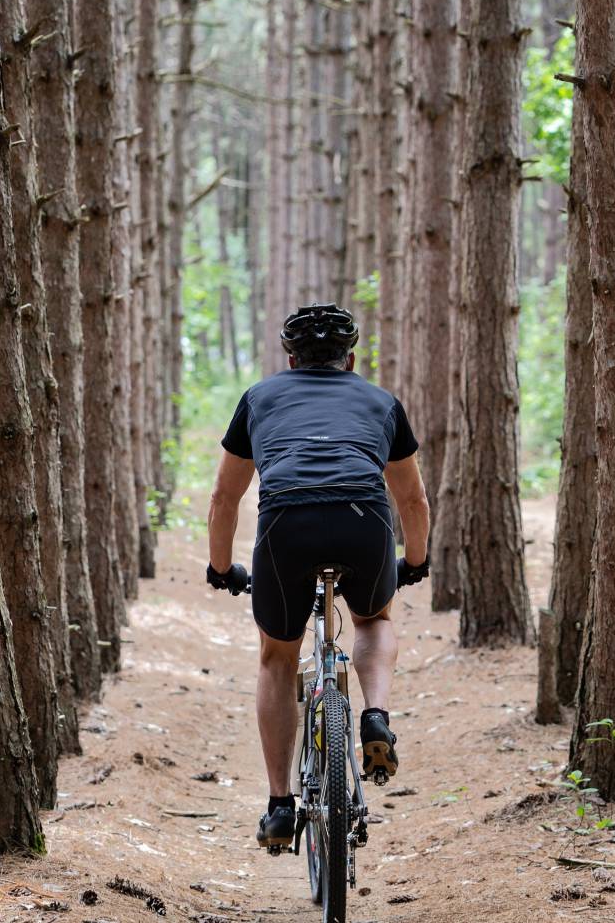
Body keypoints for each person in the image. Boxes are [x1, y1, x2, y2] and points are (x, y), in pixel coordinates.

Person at [204, 303, 432, 850]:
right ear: (350, 358)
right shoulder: (380, 401)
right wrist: (417, 561)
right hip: (363, 518)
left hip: (287, 522)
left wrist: (220, 568)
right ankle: (375, 716)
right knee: (374, 619)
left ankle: (281, 805)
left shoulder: (260, 398)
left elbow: (225, 496)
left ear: (290, 358)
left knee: (277, 654)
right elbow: (412, 498)